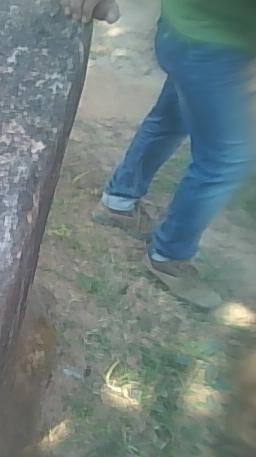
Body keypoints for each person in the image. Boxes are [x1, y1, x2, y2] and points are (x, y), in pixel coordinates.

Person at [62, 0, 255, 308]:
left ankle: (119, 202)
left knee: (170, 116)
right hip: (216, 45)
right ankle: (169, 256)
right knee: (225, 160)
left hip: (184, 27)